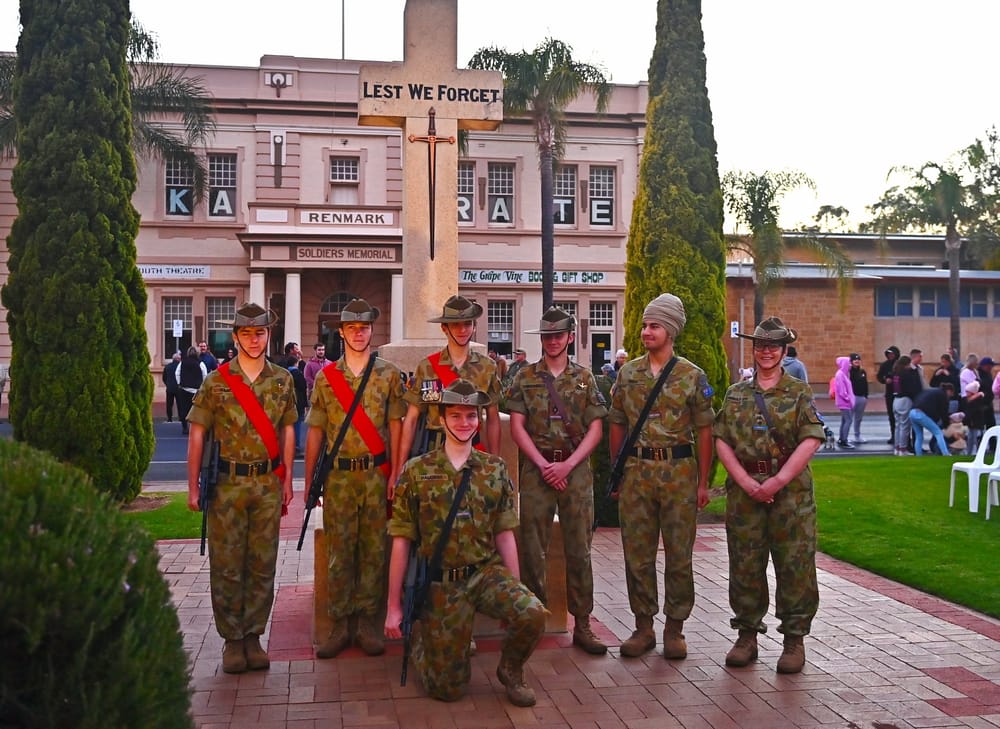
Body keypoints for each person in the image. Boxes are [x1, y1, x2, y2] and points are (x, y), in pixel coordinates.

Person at [384, 379, 547, 707]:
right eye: (455, 416)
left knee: (532, 612)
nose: (464, 423)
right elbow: (402, 540)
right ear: (441, 419)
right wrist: (393, 607)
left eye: (471, 416)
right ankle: (424, 644)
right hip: (442, 584)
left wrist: (514, 593)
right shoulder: (417, 472)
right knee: (448, 690)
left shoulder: (494, 469)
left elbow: (504, 533)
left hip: (485, 574)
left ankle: (511, 670)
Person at [184, 303, 297, 674]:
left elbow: (288, 429)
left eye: (260, 332)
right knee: (229, 564)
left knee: (262, 564)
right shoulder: (216, 382)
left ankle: (254, 636)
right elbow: (197, 434)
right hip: (227, 485)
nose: (253, 339)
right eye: (246, 333)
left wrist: (287, 480)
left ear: (268, 336)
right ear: (235, 337)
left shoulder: (282, 379)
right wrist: (193, 487)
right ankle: (233, 640)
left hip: (266, 483)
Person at [713, 316, 824, 674]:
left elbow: (811, 439)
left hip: (790, 495)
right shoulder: (737, 394)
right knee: (745, 564)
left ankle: (794, 639)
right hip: (745, 493)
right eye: (760, 345)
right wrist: (746, 482)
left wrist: (776, 483)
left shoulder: (798, 392)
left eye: (773, 346)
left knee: (795, 565)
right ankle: (747, 635)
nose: (765, 352)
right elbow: (721, 439)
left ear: (784, 351)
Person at [608, 293, 714, 660]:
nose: (645, 331)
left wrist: (703, 482)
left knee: (679, 555)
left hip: (679, 474)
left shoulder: (692, 375)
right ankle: (643, 627)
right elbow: (617, 424)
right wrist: (617, 472)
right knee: (636, 554)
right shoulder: (628, 373)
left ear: (670, 330)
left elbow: (704, 430)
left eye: (653, 325)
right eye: (644, 325)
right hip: (636, 473)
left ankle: (675, 628)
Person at [506, 307, 609, 655]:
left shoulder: (584, 378)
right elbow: (517, 426)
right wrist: (543, 464)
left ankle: (582, 623)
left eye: (558, 336)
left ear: (569, 337)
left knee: (579, 547)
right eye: (547, 336)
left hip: (575, 469)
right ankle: (535, 620)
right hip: (537, 470)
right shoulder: (524, 377)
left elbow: (596, 428)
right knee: (532, 547)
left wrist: (567, 466)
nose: (552, 341)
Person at [307, 298, 406, 659]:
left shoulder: (389, 375)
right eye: (352, 328)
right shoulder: (326, 378)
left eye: (364, 327)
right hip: (339, 479)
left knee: (374, 550)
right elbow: (316, 432)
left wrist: (395, 473)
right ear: (342, 333)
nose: (359, 333)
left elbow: (396, 427)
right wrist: (309, 483)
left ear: (372, 331)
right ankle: (340, 623)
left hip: (376, 475)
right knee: (340, 552)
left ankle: (367, 622)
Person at [399, 295, 502, 460]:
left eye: (467, 324)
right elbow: (411, 419)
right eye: (455, 325)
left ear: (474, 327)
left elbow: (493, 418)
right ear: (444, 328)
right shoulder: (427, 367)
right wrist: (400, 467)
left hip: (471, 452)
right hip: (434, 454)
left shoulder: (487, 367)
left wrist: (497, 462)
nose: (462, 330)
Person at [910, 383, 953, 456]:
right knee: (938, 432)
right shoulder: (942, 395)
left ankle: (918, 455)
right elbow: (943, 412)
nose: (951, 396)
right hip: (921, 414)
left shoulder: (931, 391)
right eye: (951, 394)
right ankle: (946, 453)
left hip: (912, 412)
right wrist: (946, 423)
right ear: (949, 391)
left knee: (919, 435)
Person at [891, 355, 921, 456]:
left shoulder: (895, 373)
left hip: (896, 400)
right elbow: (911, 389)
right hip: (905, 400)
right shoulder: (906, 374)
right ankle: (903, 449)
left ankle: (897, 448)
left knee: (898, 426)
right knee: (905, 426)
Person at [175, 346, 208, 435]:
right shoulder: (200, 363)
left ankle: (185, 427)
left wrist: (179, 383)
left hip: (184, 389)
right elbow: (205, 375)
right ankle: (195, 428)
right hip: (196, 390)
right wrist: (203, 387)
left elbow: (177, 373)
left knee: (184, 409)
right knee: (196, 410)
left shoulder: (183, 362)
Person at [876, 346, 900, 445]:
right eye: (889, 354)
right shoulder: (885, 365)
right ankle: (893, 435)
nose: (890, 356)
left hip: (900, 393)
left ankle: (903, 437)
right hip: (890, 393)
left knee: (901, 416)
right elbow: (879, 376)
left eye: (892, 354)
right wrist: (885, 380)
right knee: (891, 415)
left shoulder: (900, 364)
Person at [832, 356, 855, 449]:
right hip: (844, 402)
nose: (850, 365)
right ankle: (844, 440)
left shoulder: (844, 374)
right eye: (848, 363)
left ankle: (842, 438)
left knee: (844, 420)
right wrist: (848, 398)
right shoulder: (840, 375)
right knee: (848, 420)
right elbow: (842, 390)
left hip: (845, 402)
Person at [287, 358, 307, 457]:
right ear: (296, 363)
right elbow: (304, 386)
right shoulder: (298, 374)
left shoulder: (285, 373)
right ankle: (297, 445)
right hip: (298, 402)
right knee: (298, 423)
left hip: (288, 402)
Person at [848, 353, 869, 443]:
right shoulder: (848, 372)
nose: (857, 361)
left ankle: (857, 435)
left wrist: (866, 396)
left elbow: (865, 384)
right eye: (855, 360)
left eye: (858, 359)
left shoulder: (862, 372)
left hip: (861, 397)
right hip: (852, 397)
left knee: (858, 418)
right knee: (849, 418)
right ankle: (846, 436)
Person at [162, 351, 181, 422]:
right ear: (178, 359)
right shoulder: (180, 366)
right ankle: (180, 418)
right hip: (178, 388)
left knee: (169, 404)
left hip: (169, 388)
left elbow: (164, 378)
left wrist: (167, 384)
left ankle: (169, 418)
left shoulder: (167, 366)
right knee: (180, 404)